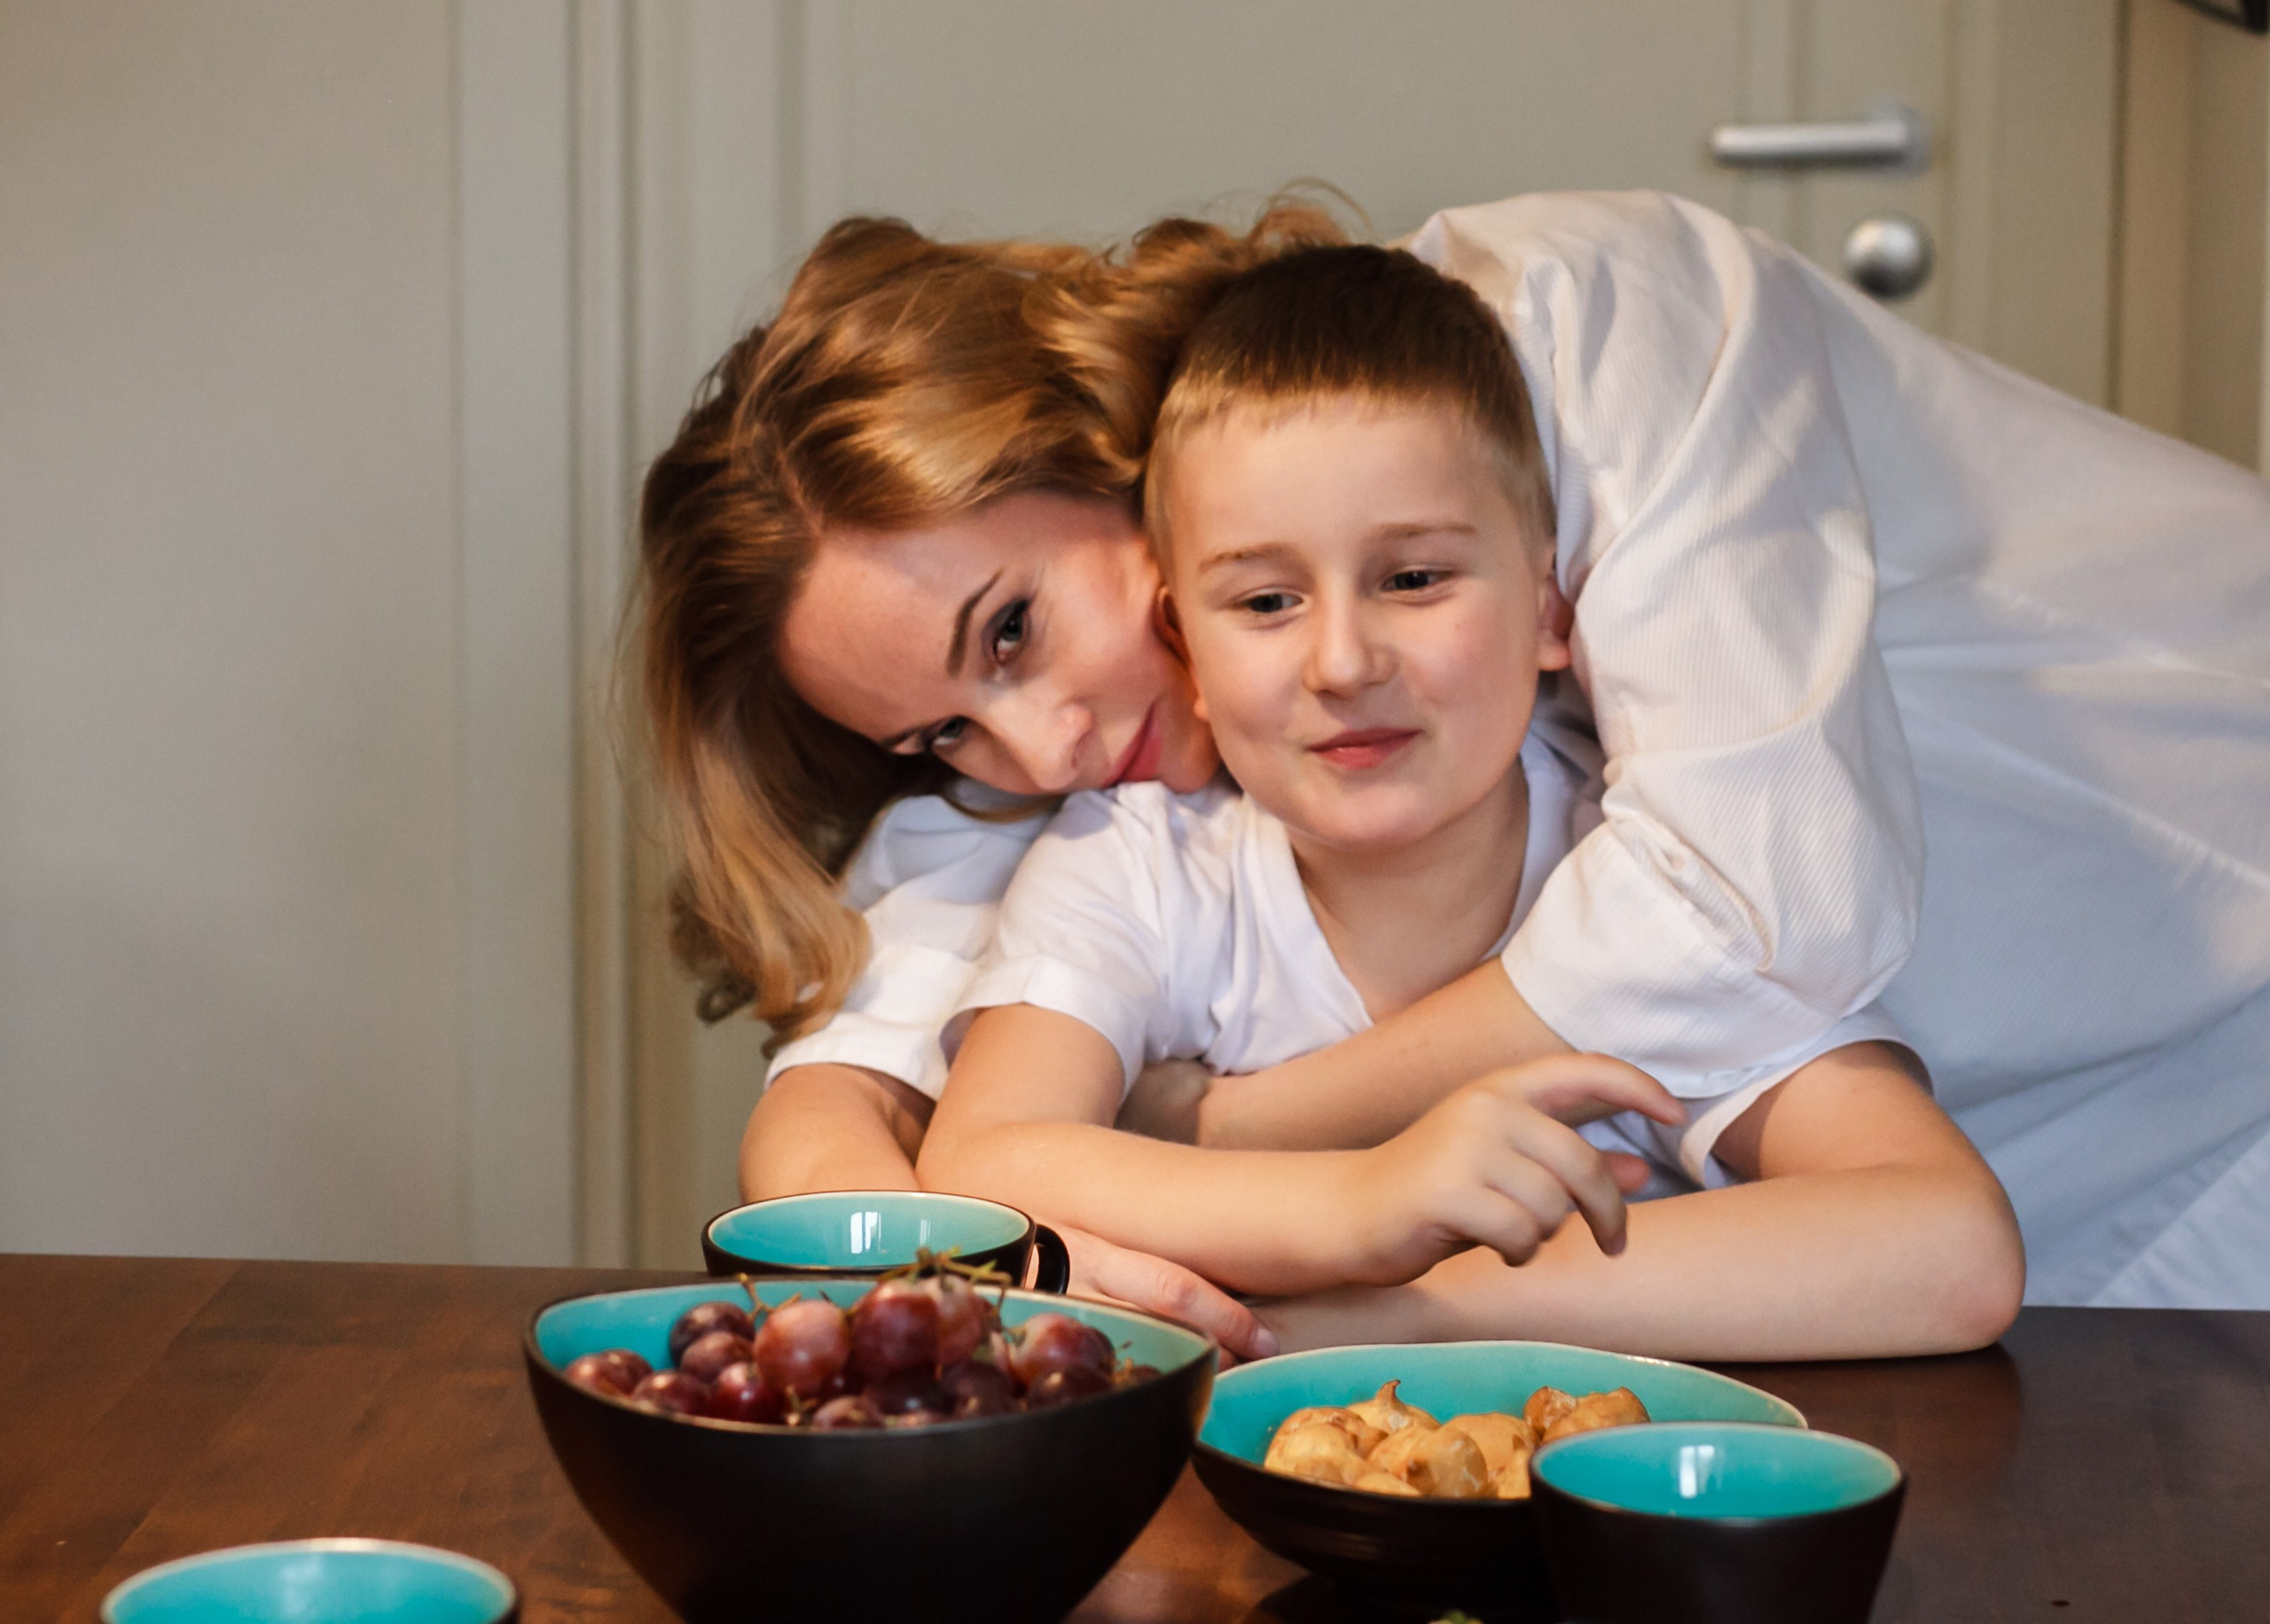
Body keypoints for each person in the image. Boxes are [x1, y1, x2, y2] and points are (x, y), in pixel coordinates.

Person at [637, 189, 2270, 1319]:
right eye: (940, 734)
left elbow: (1751, 914)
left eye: (1011, 631)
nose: (1041, 746)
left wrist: (1230, 1144)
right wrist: (1006, 1245)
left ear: (1112, 449)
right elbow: (863, 1086)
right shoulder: (1110, 778)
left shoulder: (1579, 318)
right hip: (1993, 1195)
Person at [915, 243, 2022, 1358]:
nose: (1343, 661)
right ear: (1183, 648)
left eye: (1413, 578)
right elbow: (982, 1160)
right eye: (1264, 599)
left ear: (1551, 608)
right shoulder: (1139, 866)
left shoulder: (1665, 875)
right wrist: (1359, 1203)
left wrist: (1404, 1309)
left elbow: (1949, 1245)